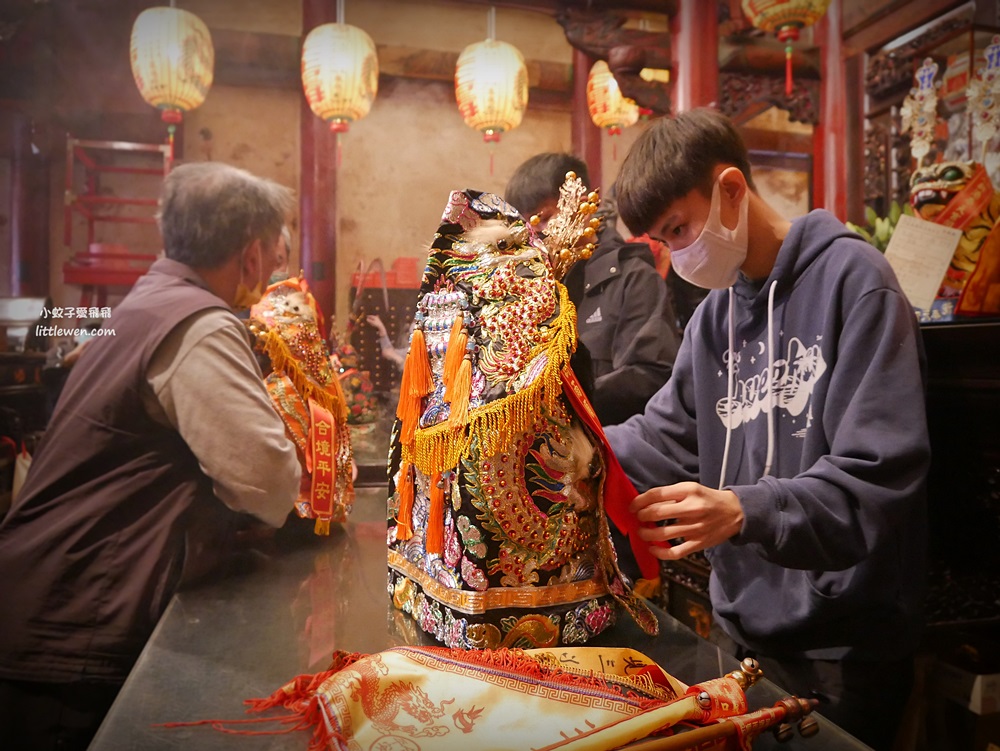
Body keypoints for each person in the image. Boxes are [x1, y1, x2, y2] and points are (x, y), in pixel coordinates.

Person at [605, 108, 929, 751]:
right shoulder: (715, 316)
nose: (678, 255)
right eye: (663, 243)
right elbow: (662, 435)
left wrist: (742, 509)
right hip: (747, 632)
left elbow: (877, 476)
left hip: (846, 646)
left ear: (730, 189)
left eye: (678, 229)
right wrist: (561, 444)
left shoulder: (855, 283)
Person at [0, 161, 302, 751]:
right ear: (249, 254)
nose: (271, 273)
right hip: (80, 610)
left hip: (43, 595)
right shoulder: (202, 324)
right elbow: (267, 482)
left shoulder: (146, 300)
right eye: (271, 256)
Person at [505, 152, 680, 426]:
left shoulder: (633, 278)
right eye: (530, 230)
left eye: (547, 218)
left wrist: (560, 404)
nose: (538, 238)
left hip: (614, 448)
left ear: (583, 204)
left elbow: (652, 374)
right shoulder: (535, 291)